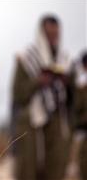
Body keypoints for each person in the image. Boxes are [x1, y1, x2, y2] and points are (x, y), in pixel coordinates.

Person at [10, 14, 72, 180]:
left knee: (56, 166)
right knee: (29, 167)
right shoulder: (26, 58)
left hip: (57, 120)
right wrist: (38, 81)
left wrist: (66, 82)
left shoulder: (65, 59)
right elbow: (18, 94)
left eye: (56, 34)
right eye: (49, 34)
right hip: (31, 121)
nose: (53, 38)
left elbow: (72, 98)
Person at [71, 51, 87, 180]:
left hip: (83, 126)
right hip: (83, 126)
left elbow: (78, 106)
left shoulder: (81, 84)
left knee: (83, 157)